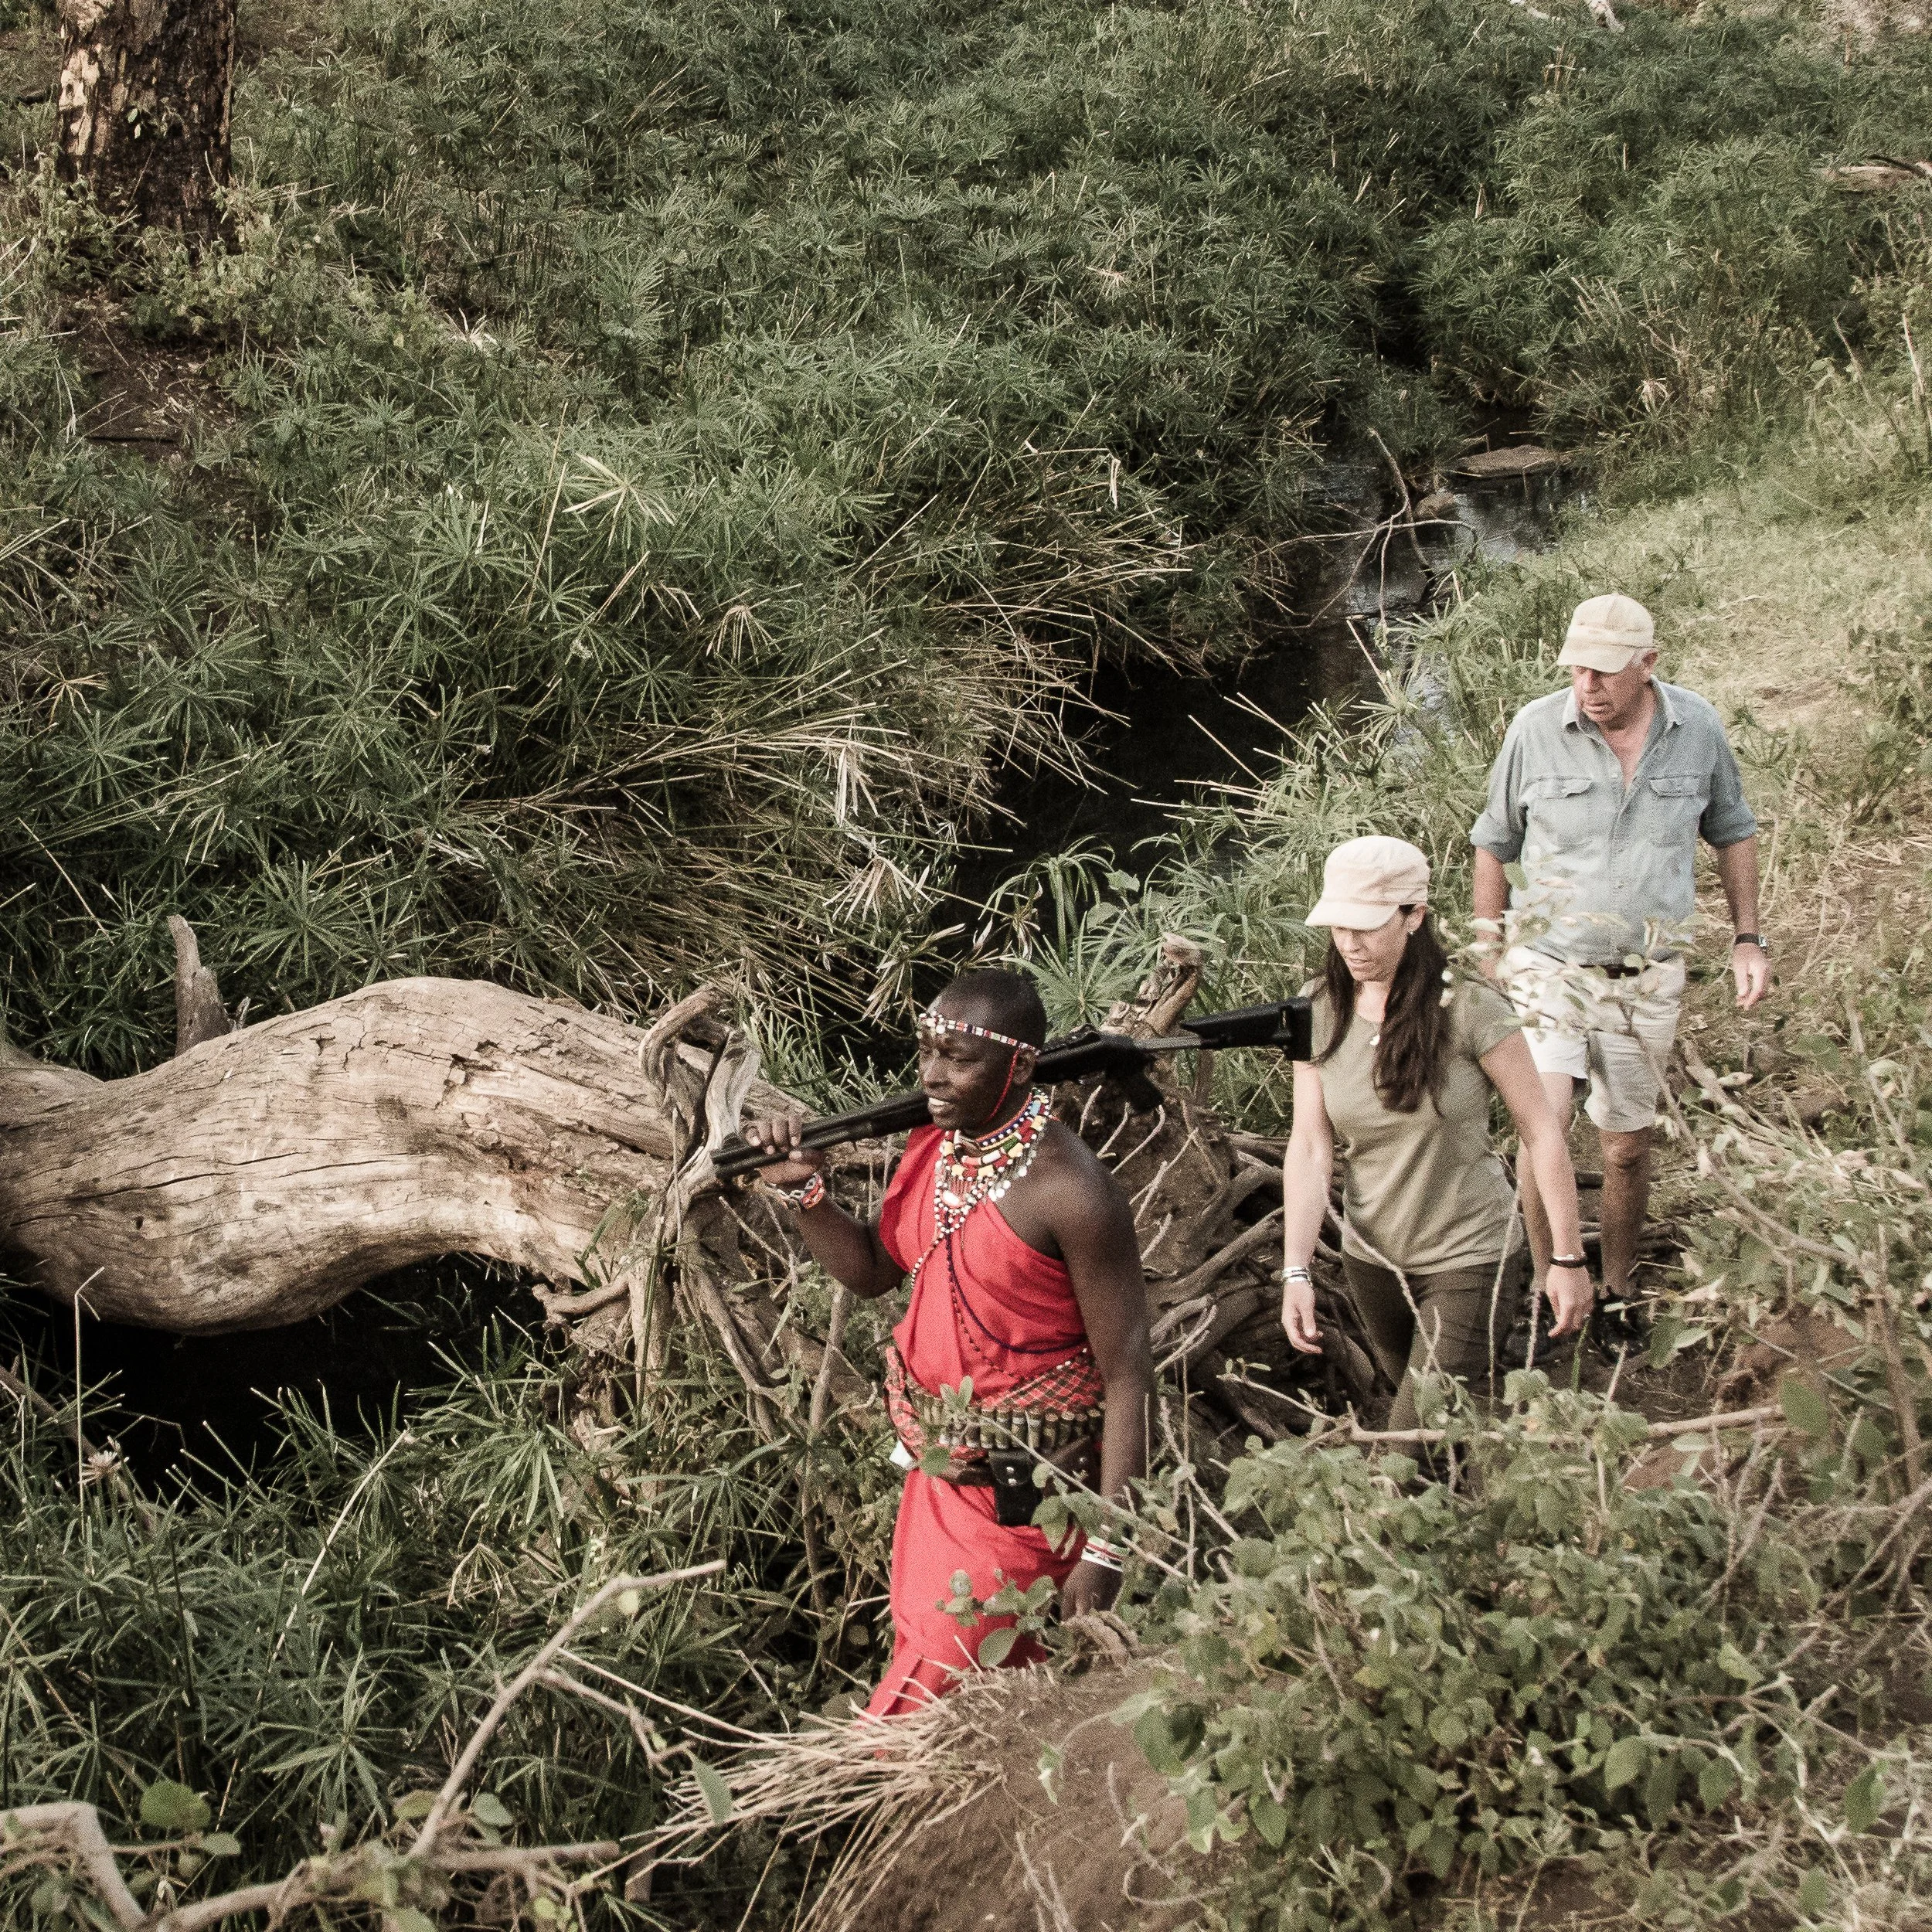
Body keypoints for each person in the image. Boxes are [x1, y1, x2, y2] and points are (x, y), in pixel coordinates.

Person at [743, 969, 1152, 1717]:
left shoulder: (1072, 1191)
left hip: (1023, 1508)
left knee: (919, 1713)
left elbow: (1128, 1374)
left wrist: (1107, 1549)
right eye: (926, 1049)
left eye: (958, 1057)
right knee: (968, 1704)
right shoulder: (936, 1148)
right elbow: (872, 1269)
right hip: (936, 1490)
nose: (931, 1073)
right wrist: (803, 1192)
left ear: (1020, 1066)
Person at [1470, 594, 1768, 1308]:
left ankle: (1618, 1286)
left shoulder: (1697, 728)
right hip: (1548, 966)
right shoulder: (1534, 730)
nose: (1589, 687)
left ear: (1647, 665)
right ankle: (1551, 1285)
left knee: (1626, 1148)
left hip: (1646, 975)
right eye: (1577, 670)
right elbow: (1491, 843)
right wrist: (1490, 951)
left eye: (1604, 672)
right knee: (1546, 1126)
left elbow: (1733, 831)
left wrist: (1747, 938)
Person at [1279, 836, 1593, 1430]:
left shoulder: (1473, 1007)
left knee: (1410, 1442)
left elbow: (1541, 1133)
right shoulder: (1316, 1009)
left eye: (1367, 927)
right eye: (1339, 926)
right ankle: (1485, 1503)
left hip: (1468, 1254)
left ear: (1414, 916)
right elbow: (1310, 1145)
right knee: (1439, 1424)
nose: (1350, 944)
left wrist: (1567, 1257)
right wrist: (1296, 1269)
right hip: (1371, 1261)